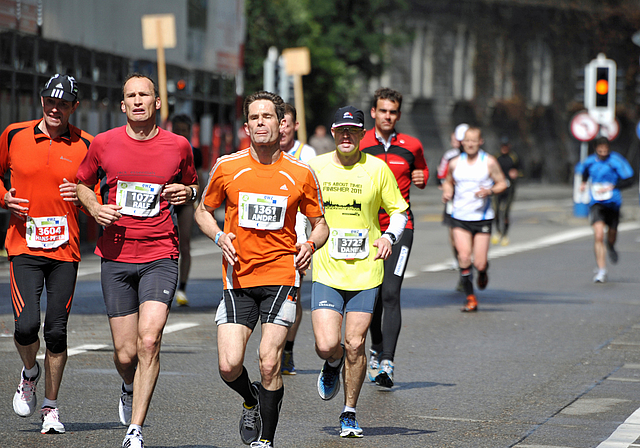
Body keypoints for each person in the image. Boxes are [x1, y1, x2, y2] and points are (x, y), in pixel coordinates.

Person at [194, 91, 329, 448]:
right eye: (254, 118)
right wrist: (219, 235)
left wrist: (310, 244)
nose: (261, 123)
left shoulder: (300, 173)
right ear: (246, 126)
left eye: (268, 117)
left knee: (269, 361)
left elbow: (321, 224)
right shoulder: (227, 167)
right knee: (228, 365)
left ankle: (265, 441)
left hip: (282, 277)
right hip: (237, 278)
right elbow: (202, 211)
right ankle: (250, 399)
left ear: (281, 123)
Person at [76, 73, 198, 448]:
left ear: (157, 102)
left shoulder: (178, 146)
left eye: (145, 94)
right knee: (125, 352)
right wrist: (95, 206)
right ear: (123, 105)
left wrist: (187, 191)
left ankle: (136, 429)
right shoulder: (104, 143)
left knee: (149, 341)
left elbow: (194, 184)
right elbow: (81, 182)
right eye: (131, 96)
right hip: (115, 256)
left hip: (160, 253)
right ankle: (128, 384)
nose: (139, 101)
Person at [1, 74, 92, 435]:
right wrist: (4, 198)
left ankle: (51, 407)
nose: (56, 109)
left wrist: (83, 197)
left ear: (74, 107)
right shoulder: (14, 135)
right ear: (41, 102)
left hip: (65, 251)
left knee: (56, 332)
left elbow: (98, 193)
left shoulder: (87, 144)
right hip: (23, 245)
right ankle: (29, 373)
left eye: (64, 104)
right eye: (50, 102)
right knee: (25, 326)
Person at [309, 106, 408, 437]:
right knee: (327, 345)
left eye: (353, 130)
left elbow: (399, 211)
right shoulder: (317, 167)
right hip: (326, 268)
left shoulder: (377, 169)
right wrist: (302, 243)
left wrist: (389, 236)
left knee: (355, 343)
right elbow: (300, 208)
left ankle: (349, 412)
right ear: (333, 133)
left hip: (366, 272)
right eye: (341, 131)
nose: (347, 136)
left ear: (363, 134)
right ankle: (332, 363)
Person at [359, 88, 428, 388]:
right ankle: (375, 349)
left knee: (390, 293)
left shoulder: (411, 145)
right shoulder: (360, 144)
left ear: (398, 114)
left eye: (393, 112)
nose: (388, 116)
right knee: (371, 295)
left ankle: (387, 360)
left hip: (401, 228)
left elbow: (423, 172)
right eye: (383, 111)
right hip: (367, 230)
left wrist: (422, 178)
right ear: (373, 112)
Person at [442, 126, 507, 312]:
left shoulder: (489, 162)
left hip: (482, 218)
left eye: (474, 140)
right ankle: (470, 298)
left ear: (480, 142)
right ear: (462, 142)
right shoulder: (455, 163)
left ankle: (483, 271)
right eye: (467, 140)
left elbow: (502, 183)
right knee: (463, 257)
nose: (470, 144)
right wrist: (447, 191)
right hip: (460, 217)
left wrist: (490, 190)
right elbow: (448, 181)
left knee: (479, 262)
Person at [279, 103, 317, 375]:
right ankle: (273, 347)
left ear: (295, 126)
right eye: (278, 122)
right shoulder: (264, 151)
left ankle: (287, 349)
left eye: (286, 123)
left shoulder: (307, 154)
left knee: (294, 293)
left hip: (299, 227)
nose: (281, 128)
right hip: (270, 229)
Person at [580, 136, 634, 283]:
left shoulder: (616, 161)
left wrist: (614, 187)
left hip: (613, 202)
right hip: (597, 203)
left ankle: (611, 245)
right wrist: (583, 183)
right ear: (596, 149)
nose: (603, 153)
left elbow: (630, 180)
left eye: (605, 150)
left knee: (611, 235)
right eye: (600, 150)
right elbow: (584, 172)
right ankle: (602, 270)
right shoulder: (590, 161)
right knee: (598, 235)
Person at [170, 114, 203, 306]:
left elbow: (199, 178)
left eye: (184, 130)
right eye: (178, 129)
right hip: (166, 201)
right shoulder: (164, 146)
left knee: (185, 246)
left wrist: (202, 203)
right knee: (169, 246)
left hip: (186, 202)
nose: (181, 133)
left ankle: (182, 288)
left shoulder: (194, 152)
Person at [436, 123, 468, 274]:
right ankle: (459, 260)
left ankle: (468, 259)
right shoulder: (450, 156)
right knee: (454, 233)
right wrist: (447, 187)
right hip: (454, 202)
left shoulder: (481, 157)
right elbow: (441, 176)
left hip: (473, 202)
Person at [491, 136, 521, 246]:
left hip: (509, 188)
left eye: (506, 146)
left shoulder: (514, 157)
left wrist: (516, 173)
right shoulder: (496, 157)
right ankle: (498, 231)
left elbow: (521, 170)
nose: (504, 148)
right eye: (502, 146)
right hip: (498, 187)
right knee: (496, 211)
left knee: (506, 212)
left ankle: (505, 234)